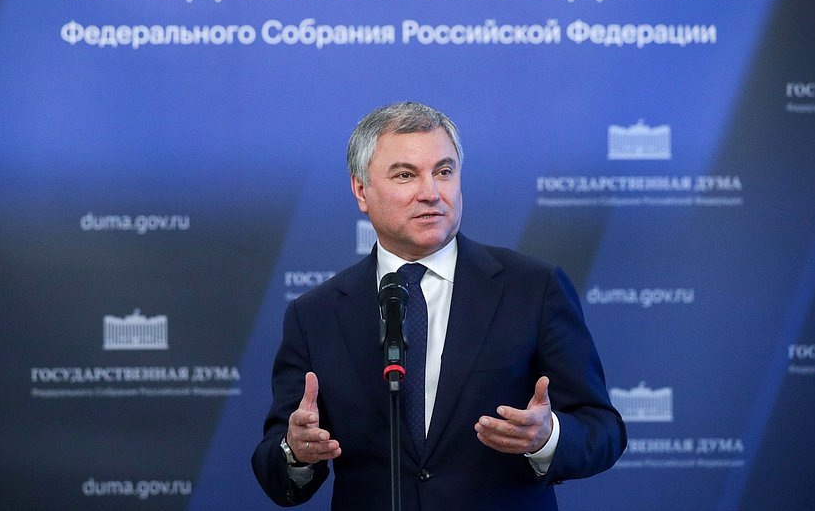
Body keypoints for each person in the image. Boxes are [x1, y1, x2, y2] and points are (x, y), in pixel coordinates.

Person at [252, 101, 626, 510]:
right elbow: (275, 467)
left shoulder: (533, 289)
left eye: (444, 172)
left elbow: (602, 430)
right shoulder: (316, 314)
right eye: (405, 175)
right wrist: (295, 451)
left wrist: (546, 437)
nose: (431, 193)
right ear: (361, 190)